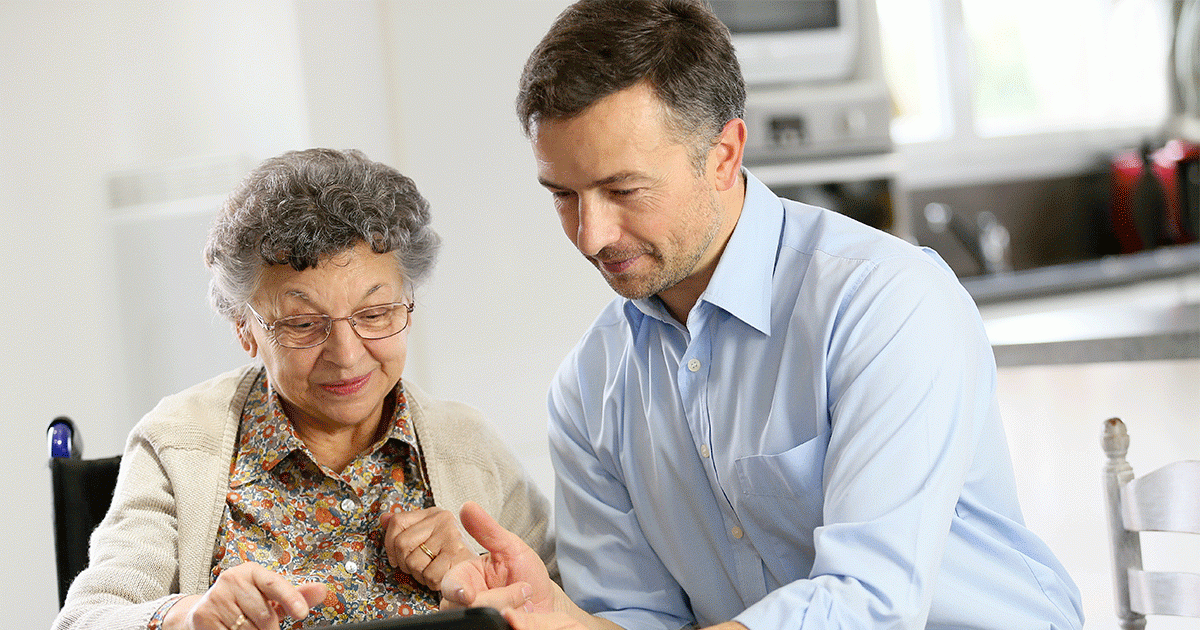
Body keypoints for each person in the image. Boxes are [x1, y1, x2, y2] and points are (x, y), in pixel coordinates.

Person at [439, 1, 1084, 629]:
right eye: (563, 196)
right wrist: (562, 623)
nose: (590, 236)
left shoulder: (884, 303)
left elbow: (870, 603)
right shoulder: (588, 388)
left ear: (724, 155)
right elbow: (641, 619)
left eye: (622, 190)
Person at [52, 148, 555, 630]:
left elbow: (565, 609)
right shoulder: (179, 442)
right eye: (301, 323)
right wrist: (190, 615)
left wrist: (480, 594)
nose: (347, 354)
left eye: (375, 314)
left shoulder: (467, 446)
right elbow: (83, 620)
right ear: (244, 328)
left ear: (408, 301)